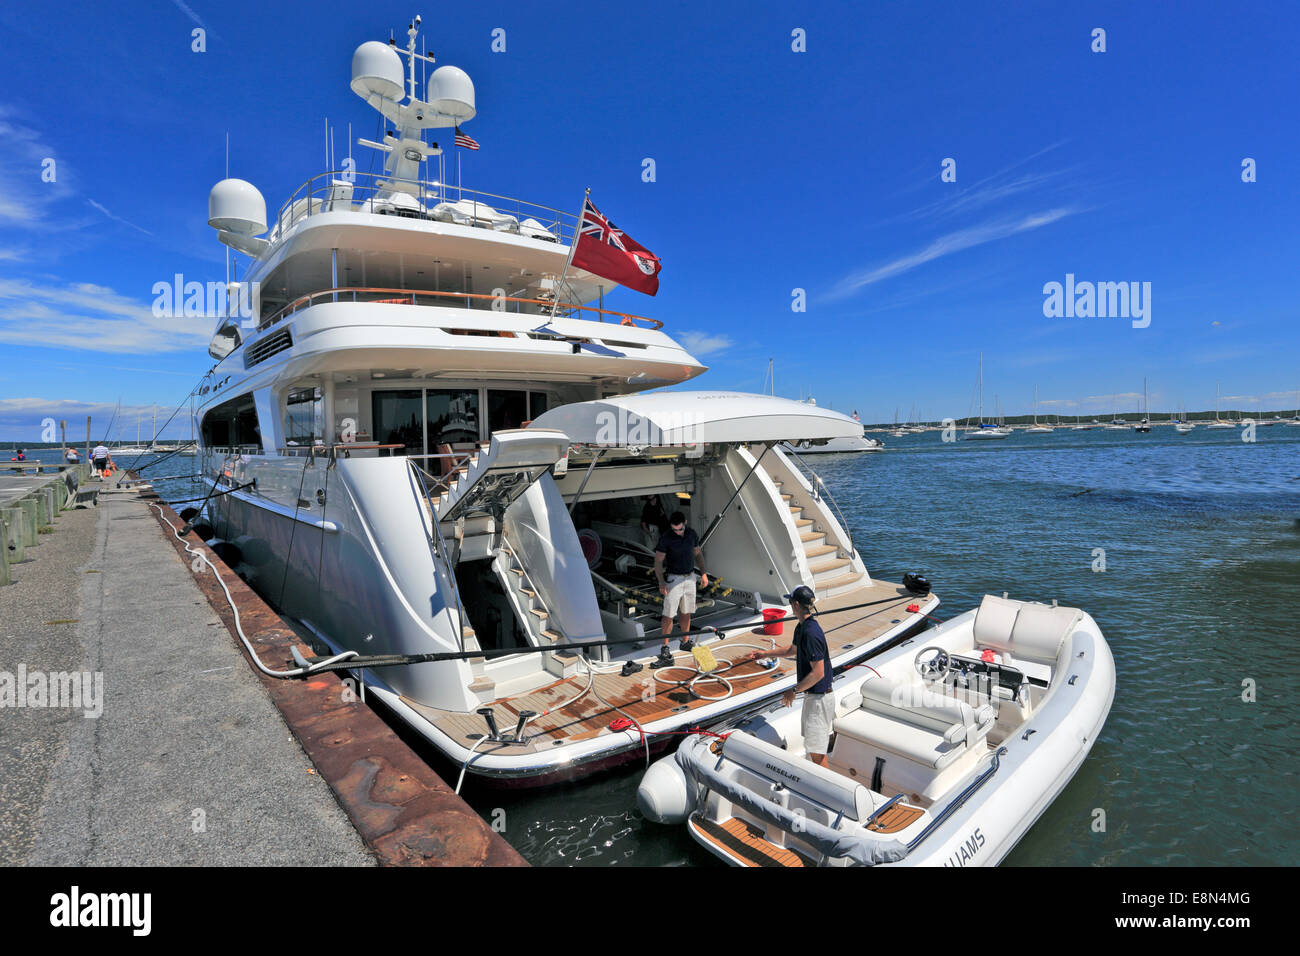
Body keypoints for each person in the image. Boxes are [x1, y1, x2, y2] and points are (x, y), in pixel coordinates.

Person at [743, 585, 835, 766]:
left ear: (797, 605)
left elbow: (819, 672)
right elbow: (791, 650)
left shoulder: (811, 633)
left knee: (817, 754)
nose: (790, 605)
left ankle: (825, 789)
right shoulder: (802, 627)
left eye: (791, 602)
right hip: (813, 697)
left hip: (819, 699)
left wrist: (794, 690)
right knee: (813, 749)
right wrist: (765, 654)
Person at [651, 511, 708, 668]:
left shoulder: (692, 534)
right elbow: (658, 562)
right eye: (675, 529)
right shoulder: (666, 538)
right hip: (673, 579)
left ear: (685, 523)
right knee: (668, 614)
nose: (678, 532)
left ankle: (685, 641)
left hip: (690, 577)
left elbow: (698, 554)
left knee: (687, 611)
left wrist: (703, 574)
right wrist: (661, 581)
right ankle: (665, 648)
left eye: (680, 529)